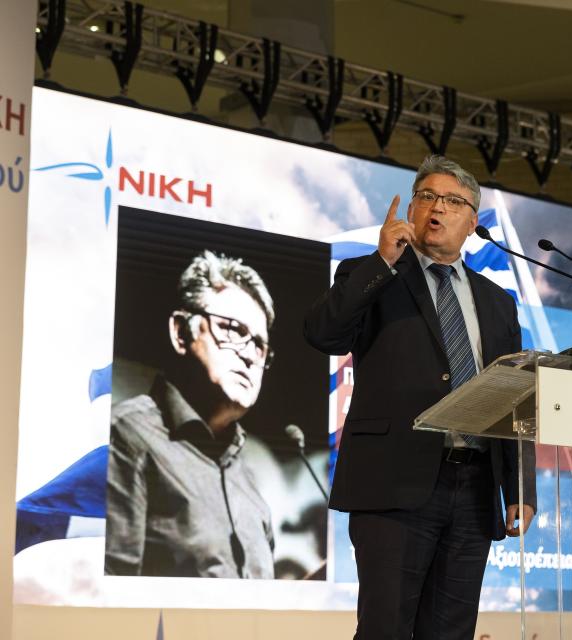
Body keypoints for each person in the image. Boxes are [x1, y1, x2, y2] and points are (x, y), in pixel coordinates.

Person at [305, 155, 536, 639]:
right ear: (411, 209)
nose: (437, 208)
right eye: (427, 196)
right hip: (394, 486)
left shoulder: (498, 303)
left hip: (474, 492)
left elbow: (515, 397)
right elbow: (325, 334)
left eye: (453, 201)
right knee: (385, 629)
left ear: (472, 222)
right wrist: (383, 261)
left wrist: (520, 489)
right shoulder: (371, 275)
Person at [106, 250, 277, 579]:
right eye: (231, 329)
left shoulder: (247, 479)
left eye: (259, 345)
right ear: (181, 333)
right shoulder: (127, 436)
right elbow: (110, 595)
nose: (249, 355)